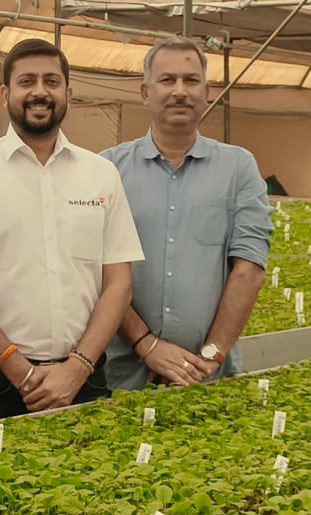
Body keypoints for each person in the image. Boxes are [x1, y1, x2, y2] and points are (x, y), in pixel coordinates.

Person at [0, 38, 144, 418]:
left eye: (51, 81)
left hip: (86, 375)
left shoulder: (100, 174)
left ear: (68, 92)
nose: (39, 92)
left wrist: (79, 366)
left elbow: (118, 282)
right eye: (26, 81)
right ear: (5, 93)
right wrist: (19, 368)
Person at [101, 35, 273, 391]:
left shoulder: (239, 166)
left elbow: (249, 267)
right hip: (124, 374)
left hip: (210, 376)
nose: (180, 90)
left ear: (207, 91)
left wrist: (209, 357)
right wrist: (146, 345)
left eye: (191, 80)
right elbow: (98, 271)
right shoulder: (107, 169)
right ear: (146, 92)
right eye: (167, 80)